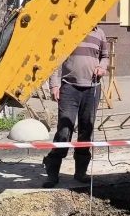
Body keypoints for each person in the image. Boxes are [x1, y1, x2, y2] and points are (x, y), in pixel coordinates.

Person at [43, 25, 109, 188]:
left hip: (92, 88)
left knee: (87, 129)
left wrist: (102, 67)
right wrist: (54, 85)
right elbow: (56, 58)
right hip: (69, 87)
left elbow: (105, 56)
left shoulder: (99, 33)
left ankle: (80, 173)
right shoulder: (68, 30)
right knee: (64, 130)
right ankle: (52, 172)